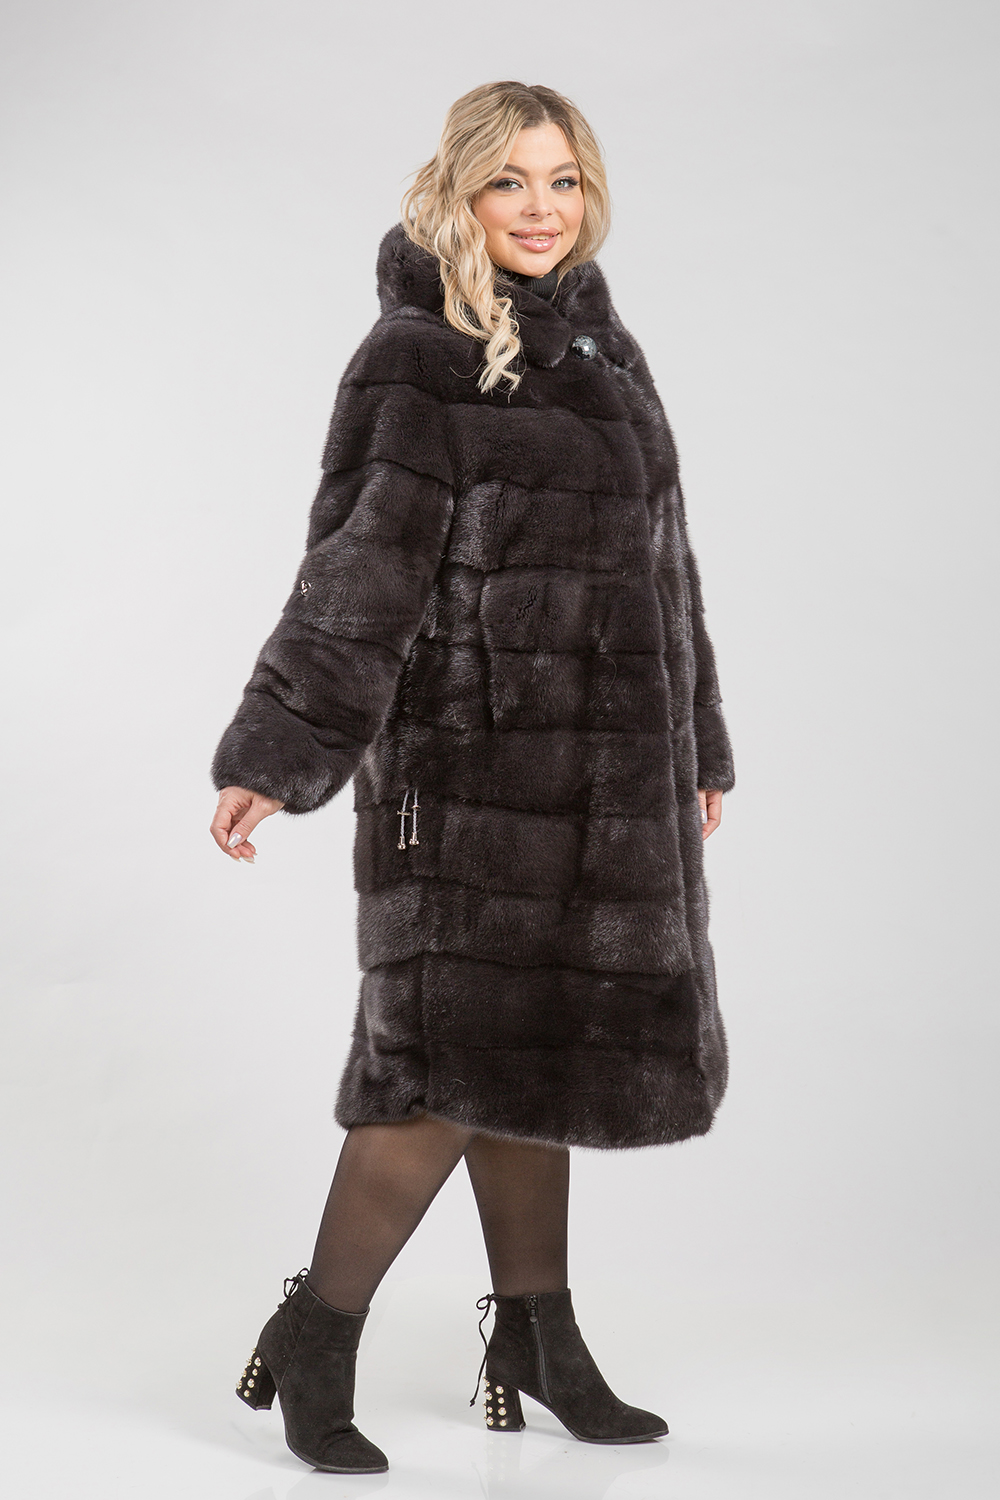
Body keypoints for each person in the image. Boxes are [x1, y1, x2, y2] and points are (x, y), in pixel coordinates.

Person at [210, 79, 735, 1476]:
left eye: (563, 180)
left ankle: (537, 1339)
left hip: (604, 788)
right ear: (460, 194)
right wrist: (281, 750)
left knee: (534, 1050)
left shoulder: (602, 347)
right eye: (511, 181)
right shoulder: (416, 358)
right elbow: (359, 573)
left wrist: (697, 745)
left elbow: (665, 567)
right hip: (464, 779)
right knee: (438, 1070)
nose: (541, 208)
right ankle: (318, 1331)